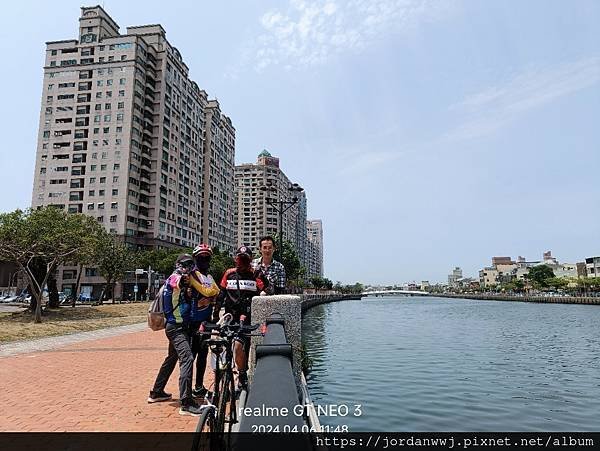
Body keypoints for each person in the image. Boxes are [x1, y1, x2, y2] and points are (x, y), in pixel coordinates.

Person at [147, 254, 204, 416]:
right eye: (184, 264)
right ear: (178, 265)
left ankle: (157, 392)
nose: (187, 267)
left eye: (190, 264)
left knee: (172, 358)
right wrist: (185, 280)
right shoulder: (174, 277)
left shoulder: (182, 279)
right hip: (176, 328)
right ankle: (186, 402)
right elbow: (176, 281)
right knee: (187, 358)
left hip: (178, 326)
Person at [216, 245, 269, 392]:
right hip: (229, 318)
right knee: (220, 347)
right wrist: (215, 316)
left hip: (246, 320)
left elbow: (267, 289)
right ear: (236, 259)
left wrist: (264, 291)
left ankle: (242, 373)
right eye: (240, 259)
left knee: (239, 347)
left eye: (245, 260)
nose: (242, 262)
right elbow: (221, 295)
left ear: (250, 260)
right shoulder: (229, 274)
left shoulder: (255, 274)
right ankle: (222, 377)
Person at [188, 243, 220, 398]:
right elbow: (208, 291)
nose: (205, 260)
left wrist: (210, 295)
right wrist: (210, 294)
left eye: (207, 257)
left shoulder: (209, 276)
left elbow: (217, 291)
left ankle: (199, 386)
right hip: (193, 320)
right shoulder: (192, 274)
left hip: (206, 320)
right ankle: (186, 389)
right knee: (190, 356)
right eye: (201, 257)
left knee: (203, 354)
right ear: (195, 258)